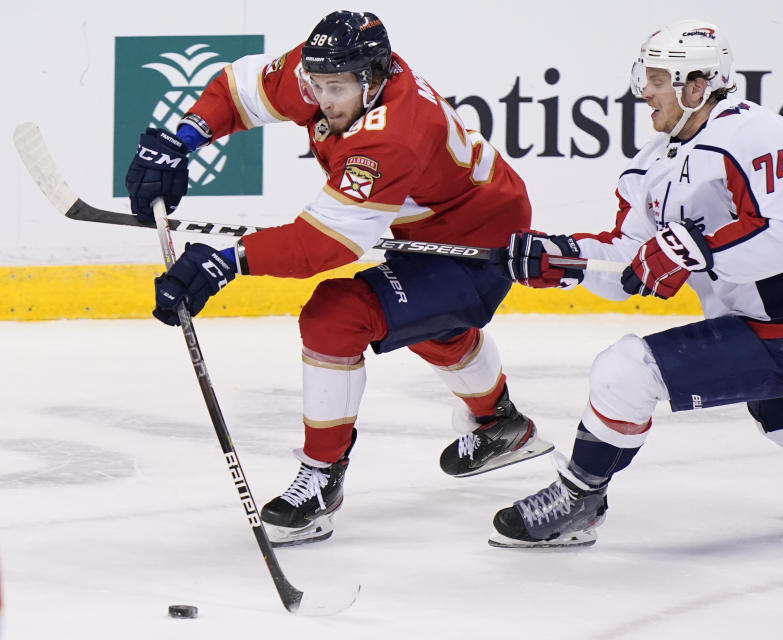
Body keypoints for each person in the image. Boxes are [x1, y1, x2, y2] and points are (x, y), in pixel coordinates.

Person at [124, 10, 553, 546]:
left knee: (337, 317)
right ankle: (501, 424)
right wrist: (183, 137)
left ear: (372, 80)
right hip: (428, 222)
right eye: (316, 85)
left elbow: (322, 244)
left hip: (476, 241)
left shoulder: (394, 132)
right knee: (428, 319)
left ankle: (322, 480)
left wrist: (224, 261)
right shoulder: (328, 68)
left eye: (336, 89)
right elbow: (237, 89)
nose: (323, 100)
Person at [489, 20, 783, 548]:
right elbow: (628, 263)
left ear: (697, 85)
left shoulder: (753, 131)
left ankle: (580, 498)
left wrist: (692, 249)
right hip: (768, 320)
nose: (645, 91)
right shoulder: (650, 168)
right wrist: (562, 259)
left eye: (658, 79)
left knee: (624, 371)